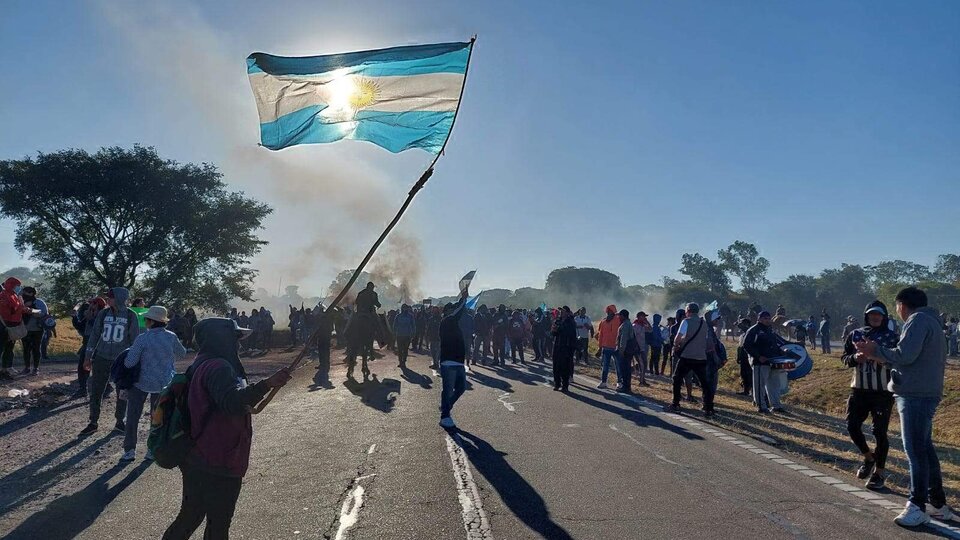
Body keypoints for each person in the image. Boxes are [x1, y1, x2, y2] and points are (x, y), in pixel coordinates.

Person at [162, 318, 291, 540]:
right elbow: (232, 403)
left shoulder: (204, 362)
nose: (238, 345)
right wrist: (266, 384)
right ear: (221, 339)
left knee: (190, 517)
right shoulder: (219, 367)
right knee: (218, 525)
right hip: (217, 458)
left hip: (200, 456)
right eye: (235, 338)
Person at [854, 287, 954, 527]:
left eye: (897, 306)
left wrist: (874, 350)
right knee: (925, 448)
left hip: (915, 393)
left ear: (901, 305)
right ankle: (937, 503)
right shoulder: (932, 320)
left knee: (915, 452)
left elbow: (905, 355)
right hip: (924, 391)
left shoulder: (917, 320)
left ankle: (917, 505)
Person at [840, 300, 897, 490]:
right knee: (851, 426)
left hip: (882, 392)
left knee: (879, 432)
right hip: (859, 389)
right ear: (866, 315)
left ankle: (879, 473)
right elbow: (844, 358)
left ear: (884, 316)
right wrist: (855, 358)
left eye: (879, 314)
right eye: (872, 314)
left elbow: (899, 361)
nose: (875, 317)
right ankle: (868, 457)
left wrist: (883, 361)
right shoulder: (855, 334)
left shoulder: (892, 337)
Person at [120, 306, 186, 462]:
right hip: (163, 383)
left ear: (151, 321)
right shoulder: (171, 337)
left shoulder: (142, 339)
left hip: (140, 382)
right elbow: (182, 353)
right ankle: (152, 450)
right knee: (156, 418)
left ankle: (129, 450)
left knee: (132, 417)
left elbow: (130, 363)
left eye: (146, 319)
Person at [79, 287, 142, 437]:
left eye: (111, 297)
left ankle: (120, 422)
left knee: (123, 392)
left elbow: (134, 339)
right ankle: (93, 422)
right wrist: (88, 356)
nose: (108, 300)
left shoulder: (130, 315)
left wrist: (133, 360)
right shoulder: (103, 313)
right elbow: (94, 336)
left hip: (122, 360)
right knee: (96, 390)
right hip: (101, 357)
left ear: (120, 298)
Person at [665, 303, 715, 417]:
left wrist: (677, 346)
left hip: (687, 356)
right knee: (705, 384)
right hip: (701, 357)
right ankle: (708, 408)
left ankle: (675, 404)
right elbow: (709, 343)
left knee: (677, 378)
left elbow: (677, 339)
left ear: (688, 311)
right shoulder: (704, 324)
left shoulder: (686, 321)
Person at [438, 289, 470, 429]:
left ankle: (447, 406)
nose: (452, 311)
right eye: (450, 309)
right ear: (446, 311)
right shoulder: (447, 320)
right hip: (448, 361)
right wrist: (463, 299)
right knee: (448, 389)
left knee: (461, 388)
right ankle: (445, 416)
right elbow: (459, 311)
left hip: (457, 361)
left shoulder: (452, 323)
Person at [743, 311, 784, 413]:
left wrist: (781, 352)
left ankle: (776, 405)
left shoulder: (770, 330)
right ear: (759, 319)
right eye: (765, 318)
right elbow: (746, 345)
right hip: (760, 363)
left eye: (769, 318)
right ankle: (761, 406)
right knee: (759, 385)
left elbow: (774, 344)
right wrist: (758, 356)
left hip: (772, 362)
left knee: (774, 385)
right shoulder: (753, 330)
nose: (768, 320)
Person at [0, 277, 31, 381]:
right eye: (17, 286)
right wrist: (20, 310)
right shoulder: (3, 295)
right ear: (11, 285)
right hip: (4, 326)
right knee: (1, 348)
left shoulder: (15, 295)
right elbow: (6, 312)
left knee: (9, 349)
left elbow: (18, 308)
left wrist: (26, 310)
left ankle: (5, 370)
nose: (19, 288)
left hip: (13, 326)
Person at [19, 286, 48, 375]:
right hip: (25, 329)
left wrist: (32, 311)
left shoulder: (39, 302)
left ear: (31, 293)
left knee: (36, 349)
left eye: (25, 292)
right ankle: (27, 367)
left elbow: (44, 313)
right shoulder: (21, 302)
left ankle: (35, 368)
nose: (23, 294)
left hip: (37, 329)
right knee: (26, 349)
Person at [551, 306, 577, 392]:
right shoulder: (557, 320)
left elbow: (570, 333)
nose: (561, 312)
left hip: (566, 346)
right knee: (556, 365)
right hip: (557, 345)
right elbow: (553, 333)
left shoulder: (571, 322)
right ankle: (557, 383)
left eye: (563, 311)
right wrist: (554, 330)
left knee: (565, 366)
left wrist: (560, 328)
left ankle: (565, 385)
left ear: (567, 312)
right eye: (561, 311)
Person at [595, 305, 620, 389]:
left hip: (616, 347)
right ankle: (603, 381)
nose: (609, 313)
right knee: (605, 366)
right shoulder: (603, 322)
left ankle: (619, 382)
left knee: (617, 365)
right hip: (606, 347)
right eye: (608, 311)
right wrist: (600, 347)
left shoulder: (618, 319)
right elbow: (600, 336)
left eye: (611, 312)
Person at [615, 309, 636, 394]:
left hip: (625, 351)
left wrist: (621, 350)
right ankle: (626, 386)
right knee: (626, 369)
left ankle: (625, 387)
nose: (619, 317)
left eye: (620, 315)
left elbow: (623, 339)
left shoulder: (625, 325)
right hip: (628, 350)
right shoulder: (627, 324)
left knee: (624, 369)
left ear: (623, 316)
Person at [734, 318, 754, 395]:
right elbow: (740, 347)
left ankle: (752, 391)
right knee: (743, 373)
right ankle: (746, 390)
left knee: (749, 373)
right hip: (742, 355)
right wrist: (738, 356)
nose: (740, 326)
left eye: (742, 324)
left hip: (748, 355)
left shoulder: (750, 333)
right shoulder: (742, 335)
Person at [632, 312, 650, 386]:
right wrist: (636, 347)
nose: (645, 318)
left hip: (642, 348)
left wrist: (647, 322)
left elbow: (650, 330)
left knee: (644, 364)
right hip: (637, 348)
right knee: (642, 365)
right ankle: (641, 382)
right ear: (639, 317)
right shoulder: (635, 325)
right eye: (643, 317)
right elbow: (633, 337)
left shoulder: (642, 325)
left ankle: (642, 379)